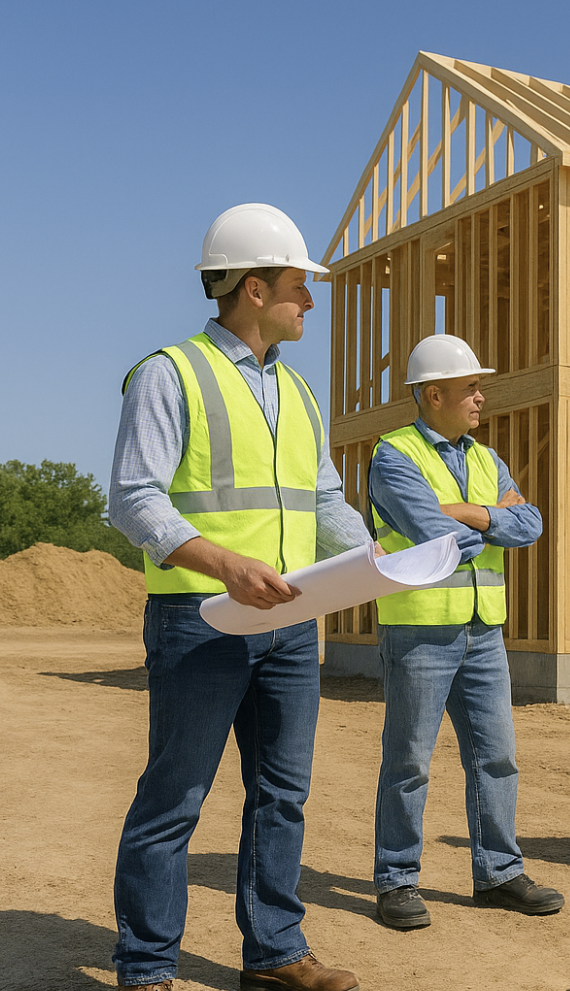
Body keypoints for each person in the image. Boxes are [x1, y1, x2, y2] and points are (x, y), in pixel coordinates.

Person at [109, 204, 367, 991]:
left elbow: (322, 499)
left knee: (283, 795)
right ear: (253, 288)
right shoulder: (169, 371)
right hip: (202, 618)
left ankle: (275, 952)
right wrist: (224, 565)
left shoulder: (298, 391)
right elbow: (132, 498)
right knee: (175, 796)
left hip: (290, 622)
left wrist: (378, 557)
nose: (310, 304)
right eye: (300, 287)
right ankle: (147, 966)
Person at [367, 333, 562, 929]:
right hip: (420, 632)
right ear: (433, 394)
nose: (481, 397)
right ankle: (397, 880)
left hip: (484, 631)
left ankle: (499, 873)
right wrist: (485, 520)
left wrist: (469, 514)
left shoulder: (486, 457)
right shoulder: (393, 455)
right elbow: (434, 534)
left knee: (497, 757)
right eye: (471, 387)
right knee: (410, 761)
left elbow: (530, 524)